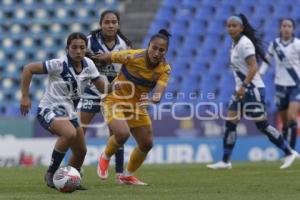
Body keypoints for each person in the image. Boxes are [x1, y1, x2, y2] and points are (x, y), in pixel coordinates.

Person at [20, 32, 117, 189]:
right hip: (49, 109)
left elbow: (103, 88)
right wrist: (25, 97)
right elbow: (28, 69)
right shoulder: (58, 64)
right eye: (74, 47)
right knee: (69, 133)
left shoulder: (89, 65)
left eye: (82, 47)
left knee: (81, 152)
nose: (78, 51)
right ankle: (51, 173)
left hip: (69, 113)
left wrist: (118, 85)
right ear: (67, 48)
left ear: (86, 49)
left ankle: (71, 179)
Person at [206, 14, 298, 170]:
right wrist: (239, 88)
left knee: (262, 125)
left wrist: (244, 86)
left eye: (235, 25)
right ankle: (225, 161)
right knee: (230, 123)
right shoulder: (234, 44)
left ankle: (289, 152)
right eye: (229, 25)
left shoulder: (245, 44)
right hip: (240, 90)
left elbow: (254, 66)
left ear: (241, 28)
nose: (231, 28)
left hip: (252, 89)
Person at [94, 29, 171, 185]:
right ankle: (105, 156)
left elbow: (158, 92)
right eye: (154, 48)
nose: (156, 53)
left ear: (166, 51)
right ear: (148, 45)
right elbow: (108, 57)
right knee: (122, 134)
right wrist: (93, 58)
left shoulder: (164, 69)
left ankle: (127, 176)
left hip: (137, 106)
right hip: (114, 99)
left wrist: (153, 99)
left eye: (161, 50)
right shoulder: (132, 56)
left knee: (147, 144)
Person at [75, 10, 131, 183]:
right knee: (79, 130)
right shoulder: (89, 41)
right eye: (107, 22)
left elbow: (127, 68)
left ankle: (119, 174)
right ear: (101, 24)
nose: (110, 25)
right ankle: (76, 167)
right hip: (91, 91)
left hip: (112, 95)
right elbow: (76, 59)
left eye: (114, 22)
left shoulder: (124, 44)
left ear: (118, 24)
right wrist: (91, 60)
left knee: (117, 133)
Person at [259, 18, 300, 150]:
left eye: (289, 26)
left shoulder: (298, 44)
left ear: (293, 29)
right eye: (284, 26)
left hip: (296, 85)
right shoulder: (274, 44)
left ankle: (292, 150)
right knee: (284, 121)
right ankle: (286, 151)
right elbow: (267, 60)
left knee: (292, 117)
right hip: (280, 85)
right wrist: (260, 73)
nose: (287, 28)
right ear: (280, 28)